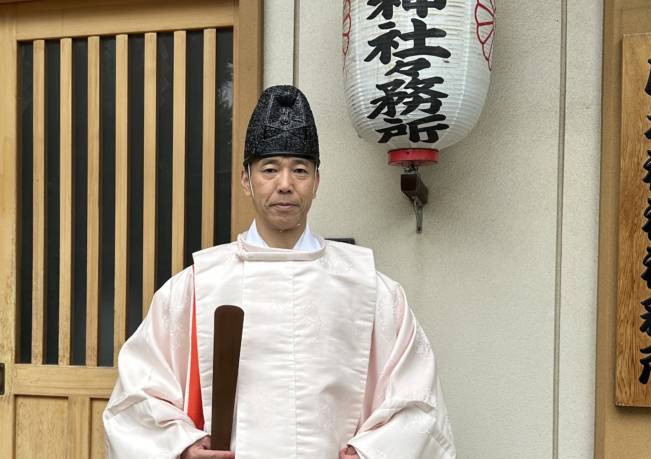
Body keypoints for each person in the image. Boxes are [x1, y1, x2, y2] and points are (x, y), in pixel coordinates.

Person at [103, 85, 456, 459]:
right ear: (246, 180)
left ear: (316, 182)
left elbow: (418, 402)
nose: (285, 184)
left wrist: (370, 452)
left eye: (299, 170)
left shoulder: (372, 291)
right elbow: (137, 396)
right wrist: (182, 446)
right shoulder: (195, 287)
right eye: (269, 169)